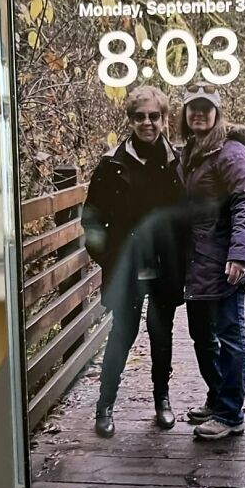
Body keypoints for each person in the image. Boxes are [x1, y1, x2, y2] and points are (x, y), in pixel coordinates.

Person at [82, 85, 186, 438]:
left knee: (161, 335)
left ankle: (162, 400)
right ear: (130, 119)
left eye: (154, 116)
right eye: (140, 116)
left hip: (162, 265)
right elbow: (91, 217)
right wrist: (107, 257)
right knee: (122, 335)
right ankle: (105, 406)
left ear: (164, 119)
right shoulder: (111, 164)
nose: (147, 123)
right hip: (126, 267)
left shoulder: (175, 162)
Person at [177, 82, 245, 440]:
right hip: (196, 261)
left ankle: (230, 414)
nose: (198, 113)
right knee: (201, 336)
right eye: (192, 107)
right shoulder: (191, 151)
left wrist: (239, 254)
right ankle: (217, 397)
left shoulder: (231, 151)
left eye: (205, 107)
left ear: (217, 113)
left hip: (225, 259)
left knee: (228, 335)